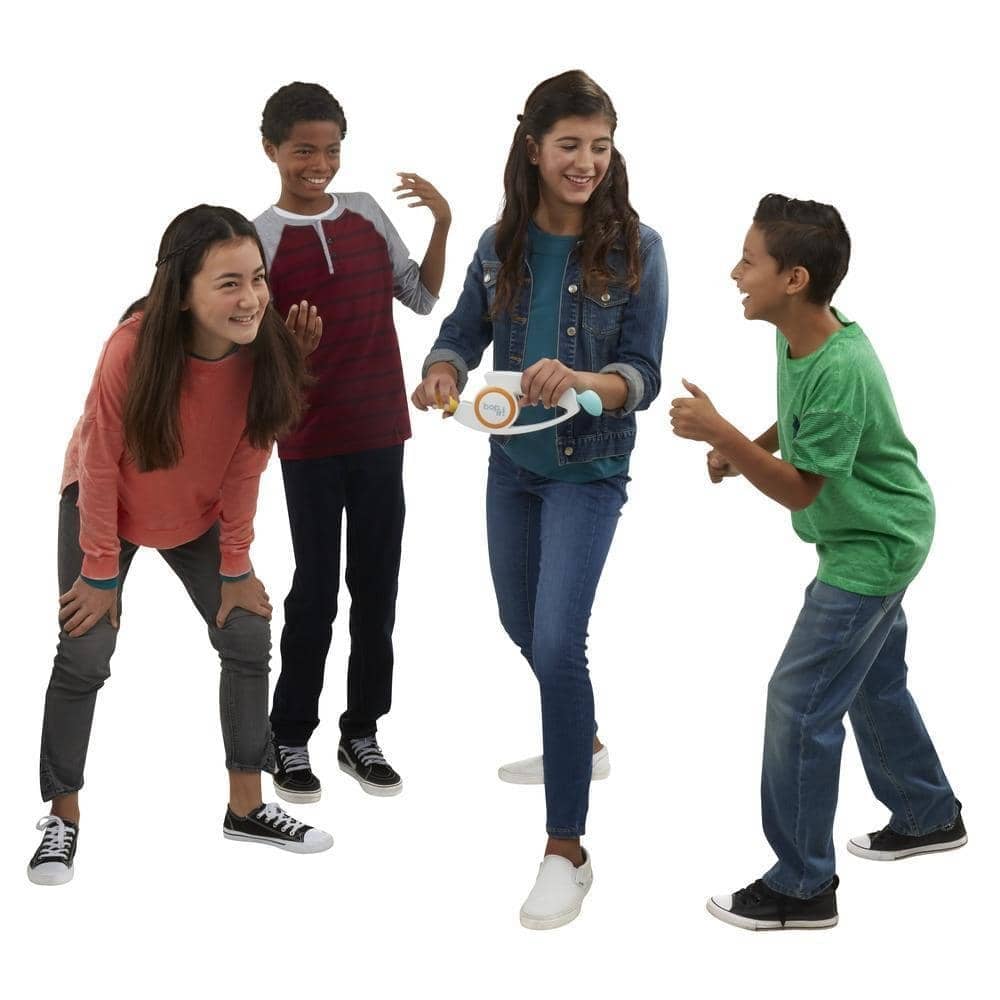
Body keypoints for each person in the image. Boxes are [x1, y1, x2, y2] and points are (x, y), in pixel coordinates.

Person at [412, 70, 666, 930]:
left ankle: (568, 850)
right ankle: (579, 740)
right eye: (569, 146)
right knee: (520, 624)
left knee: (558, 644)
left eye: (600, 147)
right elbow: (460, 332)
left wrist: (587, 379)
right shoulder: (499, 246)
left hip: (588, 472)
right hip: (511, 463)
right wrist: (442, 369)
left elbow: (642, 374)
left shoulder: (639, 250)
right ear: (533, 149)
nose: (586, 162)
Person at [669, 194, 964, 931]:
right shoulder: (798, 335)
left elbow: (803, 488)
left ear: (793, 279)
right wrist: (749, 447)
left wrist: (724, 435)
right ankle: (927, 812)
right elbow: (803, 425)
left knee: (799, 703)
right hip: (877, 532)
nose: (735, 273)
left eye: (749, 261)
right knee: (871, 681)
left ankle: (802, 887)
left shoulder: (842, 365)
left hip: (874, 547)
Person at [29, 205, 332, 886]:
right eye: (229, 283)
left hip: (196, 510)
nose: (251, 297)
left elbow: (249, 461)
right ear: (183, 291)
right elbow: (100, 460)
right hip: (106, 505)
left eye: (257, 278)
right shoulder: (131, 348)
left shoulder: (265, 349)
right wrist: (99, 573)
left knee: (247, 631)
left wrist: (235, 565)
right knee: (85, 649)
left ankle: (247, 806)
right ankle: (61, 815)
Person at [254, 82, 451, 801]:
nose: (319, 164)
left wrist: (443, 223)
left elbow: (420, 297)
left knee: (376, 589)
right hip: (308, 440)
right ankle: (287, 736)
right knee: (314, 592)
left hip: (380, 434)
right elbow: (252, 353)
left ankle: (361, 731)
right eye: (303, 150)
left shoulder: (366, 213)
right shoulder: (258, 238)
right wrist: (291, 350)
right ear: (271, 149)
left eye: (332, 150)